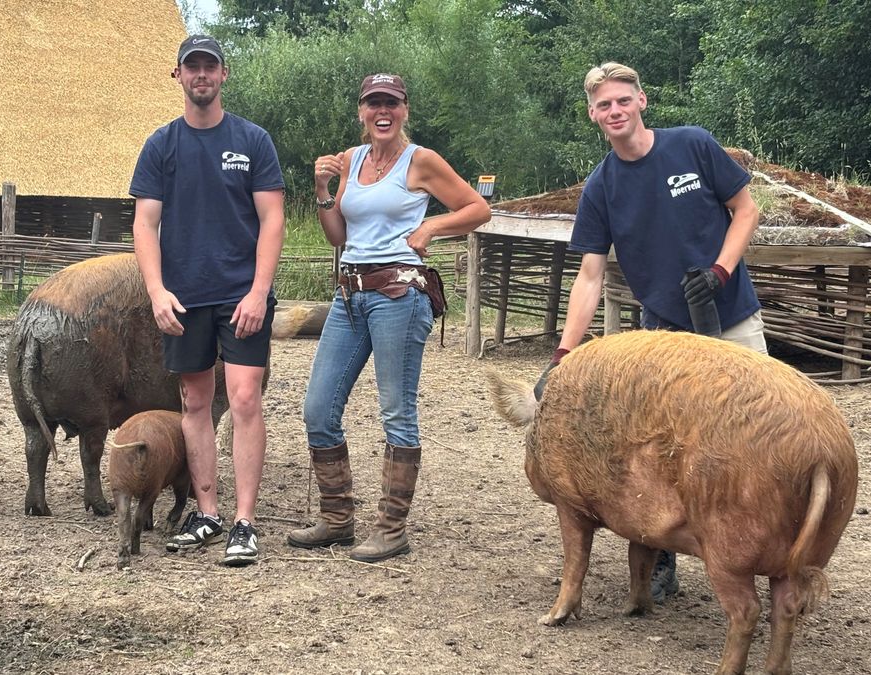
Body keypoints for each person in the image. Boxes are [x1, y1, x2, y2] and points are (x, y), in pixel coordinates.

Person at [546, 62, 767, 603]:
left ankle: (765, 547)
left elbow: (746, 210)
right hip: (664, 335)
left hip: (731, 317)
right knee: (664, 449)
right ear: (593, 115)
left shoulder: (692, 146)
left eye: (623, 100)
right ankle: (663, 553)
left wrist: (720, 270)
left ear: (642, 101)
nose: (615, 111)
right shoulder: (602, 186)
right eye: (603, 105)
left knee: (756, 435)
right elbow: (590, 274)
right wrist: (564, 352)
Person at [286, 73, 491, 563]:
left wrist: (434, 225)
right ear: (361, 111)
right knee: (318, 408)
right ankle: (337, 520)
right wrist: (321, 189)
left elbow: (478, 208)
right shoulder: (350, 160)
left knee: (397, 410)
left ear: (404, 110)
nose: (383, 111)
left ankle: (391, 529)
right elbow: (338, 236)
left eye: (392, 104)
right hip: (350, 295)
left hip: (400, 294)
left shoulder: (421, 160)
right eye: (373, 103)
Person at [130, 35, 285, 567]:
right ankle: (207, 513)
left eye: (210, 68)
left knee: (243, 400)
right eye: (192, 67)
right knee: (195, 403)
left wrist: (259, 292)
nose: (202, 76)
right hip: (185, 296)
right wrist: (156, 291)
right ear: (178, 75)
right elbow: (145, 223)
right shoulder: (161, 145)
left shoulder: (253, 140)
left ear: (223, 75)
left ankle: (245, 521)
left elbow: (272, 219)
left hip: (241, 294)